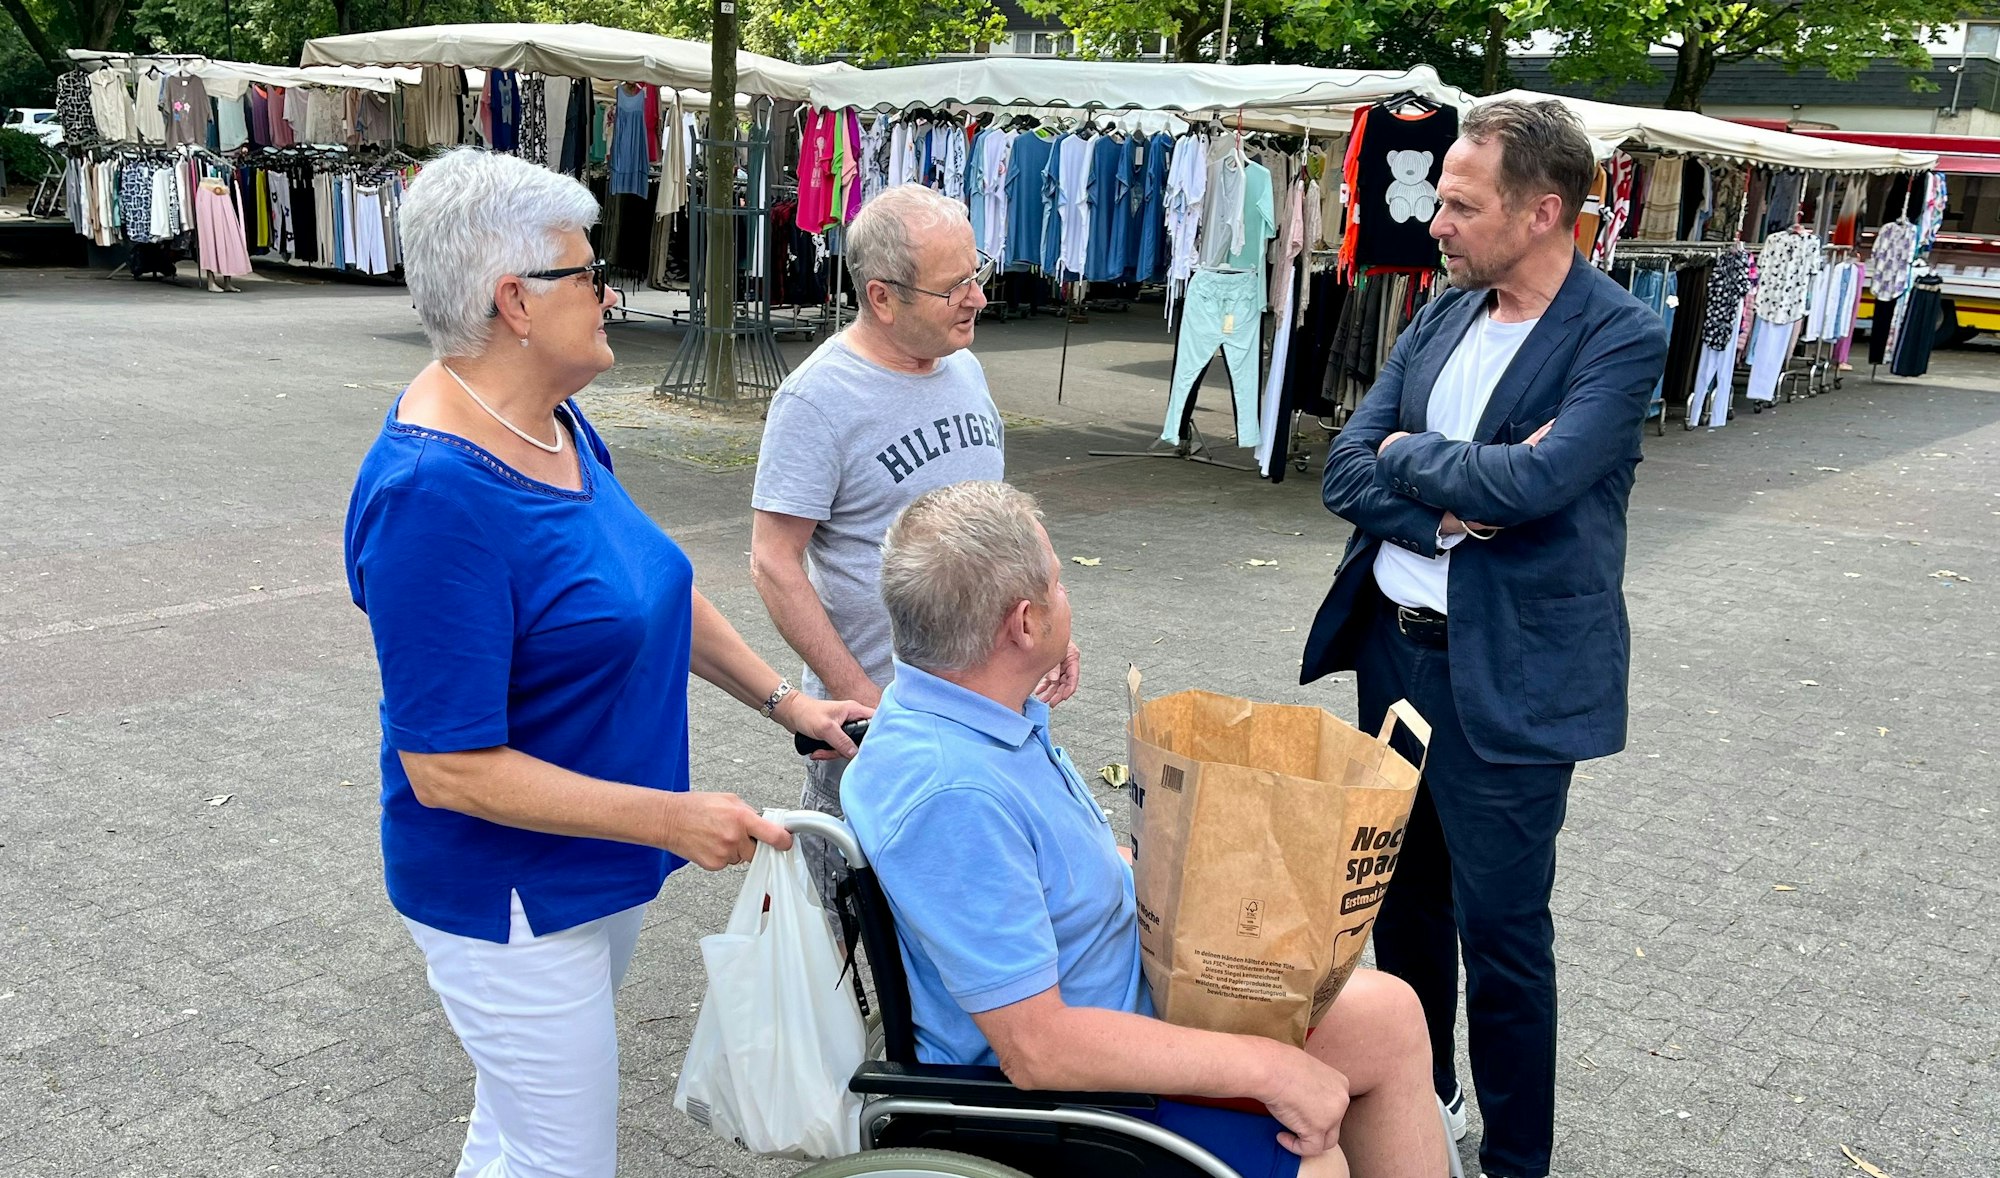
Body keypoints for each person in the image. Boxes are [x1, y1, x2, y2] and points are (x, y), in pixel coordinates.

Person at [342, 147, 871, 1178]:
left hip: (591, 874)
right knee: (560, 1160)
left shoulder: (552, 421)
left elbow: (651, 589)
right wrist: (670, 816)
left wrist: (783, 700)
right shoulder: (431, 496)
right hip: (510, 901)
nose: (609, 290)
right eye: (585, 272)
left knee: (514, 1135)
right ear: (514, 303)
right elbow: (445, 765)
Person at [845, 481, 1447, 1178]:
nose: (1068, 596)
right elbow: (1038, 1050)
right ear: (1022, 623)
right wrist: (1271, 1068)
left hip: (1127, 996)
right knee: (1316, 1160)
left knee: (1392, 1016)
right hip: (1083, 1087)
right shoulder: (954, 796)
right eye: (1059, 586)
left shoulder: (965, 710)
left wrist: (1027, 675)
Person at [1299, 99, 1669, 1178]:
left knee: (1501, 935)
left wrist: (1414, 458)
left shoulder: (1619, 333)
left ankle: (1515, 1160)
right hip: (1393, 656)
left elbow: (1544, 478)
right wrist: (1452, 500)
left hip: (1508, 678)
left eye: (1460, 204)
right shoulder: (1439, 313)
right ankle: (1423, 1103)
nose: (1436, 224)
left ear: (1542, 210)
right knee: (1398, 901)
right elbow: (1343, 468)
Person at [751, 184, 1079, 901]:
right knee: (874, 959)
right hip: (886, 737)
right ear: (882, 296)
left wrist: (1054, 628)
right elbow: (775, 564)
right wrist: (865, 700)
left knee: (994, 928)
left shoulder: (963, 367)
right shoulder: (817, 400)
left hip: (997, 720)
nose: (979, 298)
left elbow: (1003, 513)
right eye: (953, 286)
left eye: (976, 272)